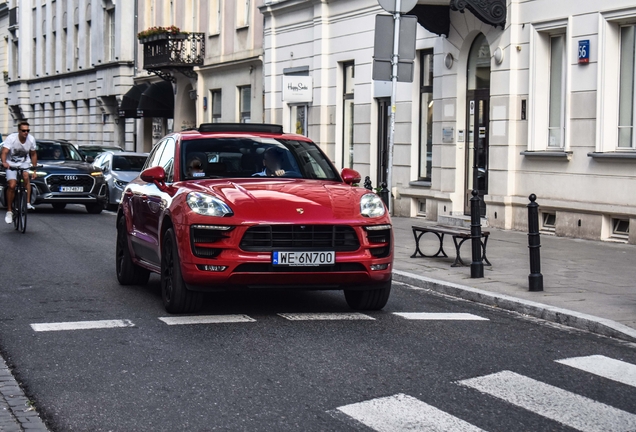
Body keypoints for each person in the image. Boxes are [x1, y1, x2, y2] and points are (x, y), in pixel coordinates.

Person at [1, 121, 37, 224]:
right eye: (24, 131)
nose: (26, 133)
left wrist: (34, 170)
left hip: (24, 163)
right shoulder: (11, 138)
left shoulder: (31, 139)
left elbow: (33, 154)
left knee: (26, 176)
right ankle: (9, 211)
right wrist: (4, 162)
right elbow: (4, 152)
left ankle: (28, 203)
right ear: (19, 131)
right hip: (10, 163)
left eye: (28, 130)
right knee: (12, 185)